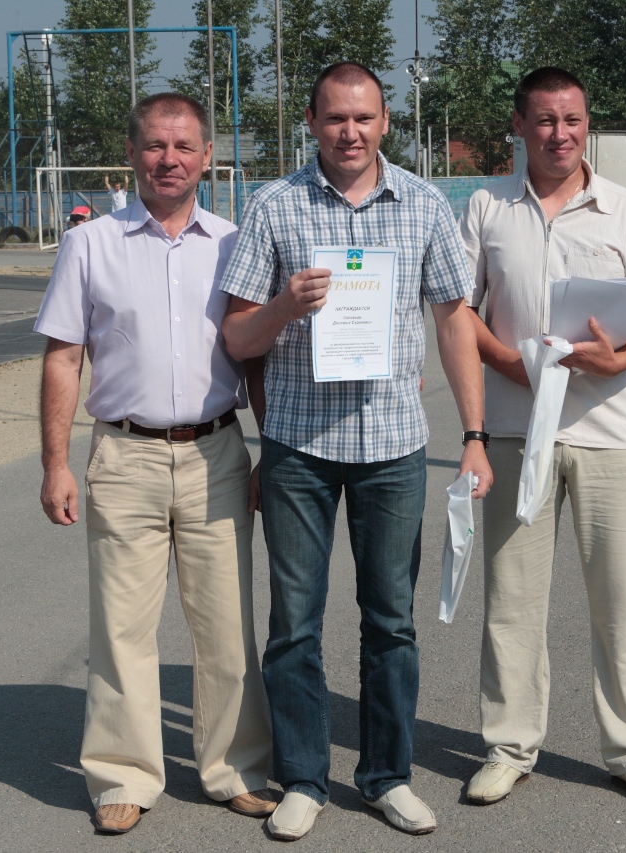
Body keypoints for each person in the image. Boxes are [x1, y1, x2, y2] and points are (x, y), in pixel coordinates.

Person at [217, 61, 492, 842]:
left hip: (393, 447)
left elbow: (454, 322)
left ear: (385, 122)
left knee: (390, 622)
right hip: (299, 448)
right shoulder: (273, 205)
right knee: (294, 624)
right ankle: (304, 778)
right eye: (335, 117)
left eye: (363, 118)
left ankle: (386, 776)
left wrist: (474, 435)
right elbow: (237, 337)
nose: (350, 132)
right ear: (310, 120)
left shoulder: (425, 204)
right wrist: (284, 305)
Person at [35, 93, 276, 836]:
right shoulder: (89, 244)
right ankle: (123, 774)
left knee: (227, 625)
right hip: (124, 454)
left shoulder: (235, 244)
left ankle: (236, 767)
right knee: (121, 629)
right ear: (131, 154)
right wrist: (55, 463)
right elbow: (63, 357)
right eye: (154, 145)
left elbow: (256, 359)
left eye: (183, 146)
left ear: (207, 156)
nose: (169, 159)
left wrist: (269, 450)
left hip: (217, 453)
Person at [458, 66, 626, 812]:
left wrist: (620, 359)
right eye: (545, 120)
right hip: (514, 429)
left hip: (610, 434)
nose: (560, 134)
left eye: (573, 120)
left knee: (623, 603)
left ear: (587, 124)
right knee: (512, 602)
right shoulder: (487, 207)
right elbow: (460, 311)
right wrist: (510, 363)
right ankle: (509, 746)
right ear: (519, 126)